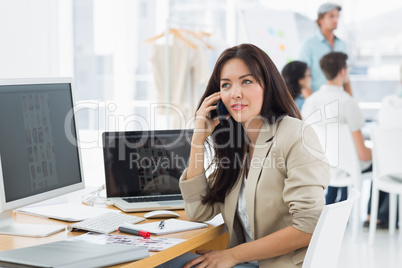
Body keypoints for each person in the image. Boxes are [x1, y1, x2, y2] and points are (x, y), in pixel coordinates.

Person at [159, 44, 329, 268]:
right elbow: (198, 211)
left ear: (267, 85)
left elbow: (308, 226)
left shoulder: (295, 134)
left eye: (246, 81)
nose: (235, 93)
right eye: (226, 85)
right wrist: (198, 141)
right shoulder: (237, 143)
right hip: (247, 262)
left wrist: (233, 255)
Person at [301, 52, 372, 205]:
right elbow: (364, 155)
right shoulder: (348, 102)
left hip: (320, 167)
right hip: (347, 169)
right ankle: (377, 217)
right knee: (381, 162)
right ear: (342, 71)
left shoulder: (310, 102)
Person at [299, 2, 352, 96]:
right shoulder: (309, 44)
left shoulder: (342, 44)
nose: (335, 19)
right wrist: (314, 104)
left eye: (337, 16)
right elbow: (302, 77)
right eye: (331, 16)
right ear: (320, 20)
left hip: (338, 100)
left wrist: (351, 101)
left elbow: (346, 77)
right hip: (316, 100)